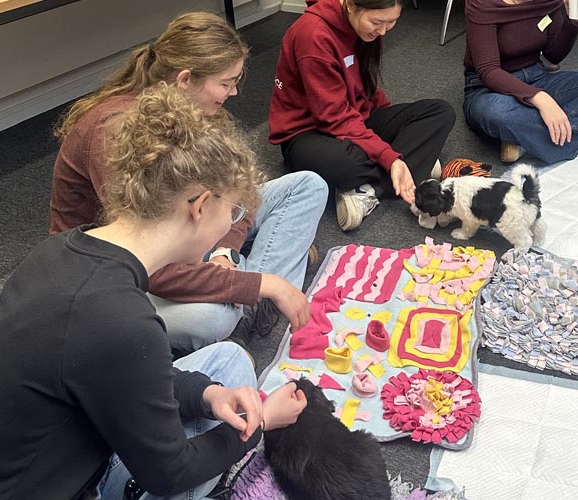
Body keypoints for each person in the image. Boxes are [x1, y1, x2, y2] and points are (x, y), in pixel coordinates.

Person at [0, 84, 308, 500]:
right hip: (57, 487)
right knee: (232, 417)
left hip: (27, 455)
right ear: (200, 206)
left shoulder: (62, 250)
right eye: (233, 211)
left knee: (227, 363)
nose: (231, 224)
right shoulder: (122, 320)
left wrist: (205, 395)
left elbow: (121, 368)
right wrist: (261, 426)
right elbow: (171, 473)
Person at [50, 11, 328, 352]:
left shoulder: (192, 110)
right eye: (225, 83)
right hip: (123, 271)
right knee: (212, 318)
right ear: (184, 79)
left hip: (189, 231)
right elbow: (151, 263)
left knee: (307, 186)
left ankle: (248, 293)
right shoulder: (116, 133)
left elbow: (234, 194)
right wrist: (258, 282)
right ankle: (259, 292)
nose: (234, 92)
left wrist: (226, 252)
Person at [268, 0, 455, 232]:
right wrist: (390, 157)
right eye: (377, 22)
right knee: (347, 163)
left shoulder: (366, 30)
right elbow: (333, 118)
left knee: (440, 113)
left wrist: (392, 124)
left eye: (392, 22)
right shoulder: (312, 34)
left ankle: (369, 190)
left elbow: (366, 85)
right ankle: (410, 162)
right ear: (350, 5)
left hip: (352, 118)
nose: (383, 31)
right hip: (307, 133)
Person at [464, 0, 578, 164]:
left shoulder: (550, 2)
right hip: (489, 89)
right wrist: (542, 100)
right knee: (497, 112)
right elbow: (488, 71)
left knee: (525, 116)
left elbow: (553, 56)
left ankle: (527, 138)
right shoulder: (482, 3)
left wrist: (571, 22)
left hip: (537, 76)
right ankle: (542, 134)